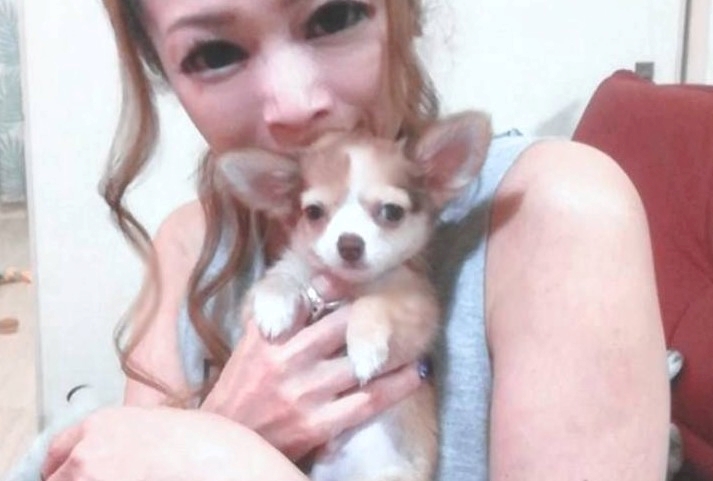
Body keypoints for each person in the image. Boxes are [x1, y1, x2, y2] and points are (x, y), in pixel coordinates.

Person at [40, 1, 671, 480]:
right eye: (214, 53)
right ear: (166, 76)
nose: (294, 103)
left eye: (333, 15)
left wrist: (219, 453)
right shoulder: (190, 243)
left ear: (404, 12)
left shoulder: (553, 212)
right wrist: (223, 430)